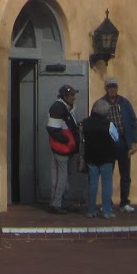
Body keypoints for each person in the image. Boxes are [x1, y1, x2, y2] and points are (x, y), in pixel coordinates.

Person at [92, 75, 137, 213]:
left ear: (117, 88)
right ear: (106, 88)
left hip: (123, 142)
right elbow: (94, 122)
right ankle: (107, 202)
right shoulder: (100, 103)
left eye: (114, 86)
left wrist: (134, 142)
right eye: (110, 87)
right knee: (107, 173)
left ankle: (124, 202)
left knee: (125, 174)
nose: (112, 89)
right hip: (108, 143)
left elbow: (132, 122)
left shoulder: (124, 103)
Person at [44, 83, 83, 213]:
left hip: (63, 149)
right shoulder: (58, 107)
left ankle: (59, 202)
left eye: (74, 94)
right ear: (65, 96)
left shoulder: (65, 107)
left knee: (59, 177)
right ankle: (57, 204)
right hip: (62, 149)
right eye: (72, 95)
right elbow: (53, 129)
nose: (74, 97)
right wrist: (67, 140)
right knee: (62, 177)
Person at [80, 96, 116, 217]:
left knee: (93, 184)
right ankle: (106, 211)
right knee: (106, 184)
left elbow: (81, 139)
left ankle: (91, 210)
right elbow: (116, 138)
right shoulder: (109, 124)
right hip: (106, 158)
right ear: (105, 111)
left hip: (91, 157)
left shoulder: (85, 123)